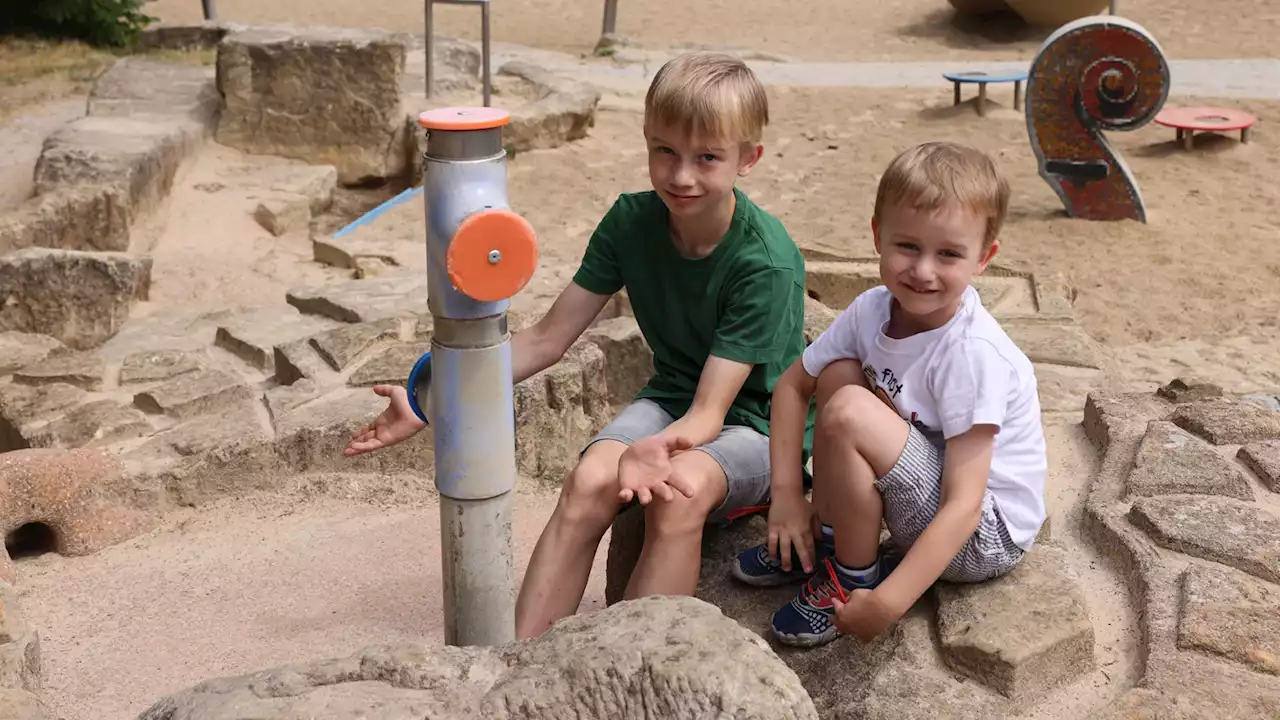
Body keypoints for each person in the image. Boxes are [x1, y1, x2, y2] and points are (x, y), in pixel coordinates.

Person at [343, 51, 812, 640]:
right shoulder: (630, 223)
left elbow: (712, 413)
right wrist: (428, 395)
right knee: (589, 480)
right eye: (664, 150)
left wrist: (655, 451)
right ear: (646, 141)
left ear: (749, 159)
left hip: (759, 426)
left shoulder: (763, 261)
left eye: (707, 158)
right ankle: (516, 665)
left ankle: (628, 672)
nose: (681, 175)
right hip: (674, 398)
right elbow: (544, 339)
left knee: (677, 494)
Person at [732, 141, 1047, 648]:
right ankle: (828, 541)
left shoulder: (972, 353)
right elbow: (794, 385)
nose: (922, 271)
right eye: (907, 247)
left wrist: (889, 602)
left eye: (948, 254)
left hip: (983, 535)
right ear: (878, 236)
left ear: (984, 258)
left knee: (851, 410)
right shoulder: (873, 308)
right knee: (837, 373)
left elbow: (965, 505)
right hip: (930, 487)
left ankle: (855, 577)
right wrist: (788, 498)